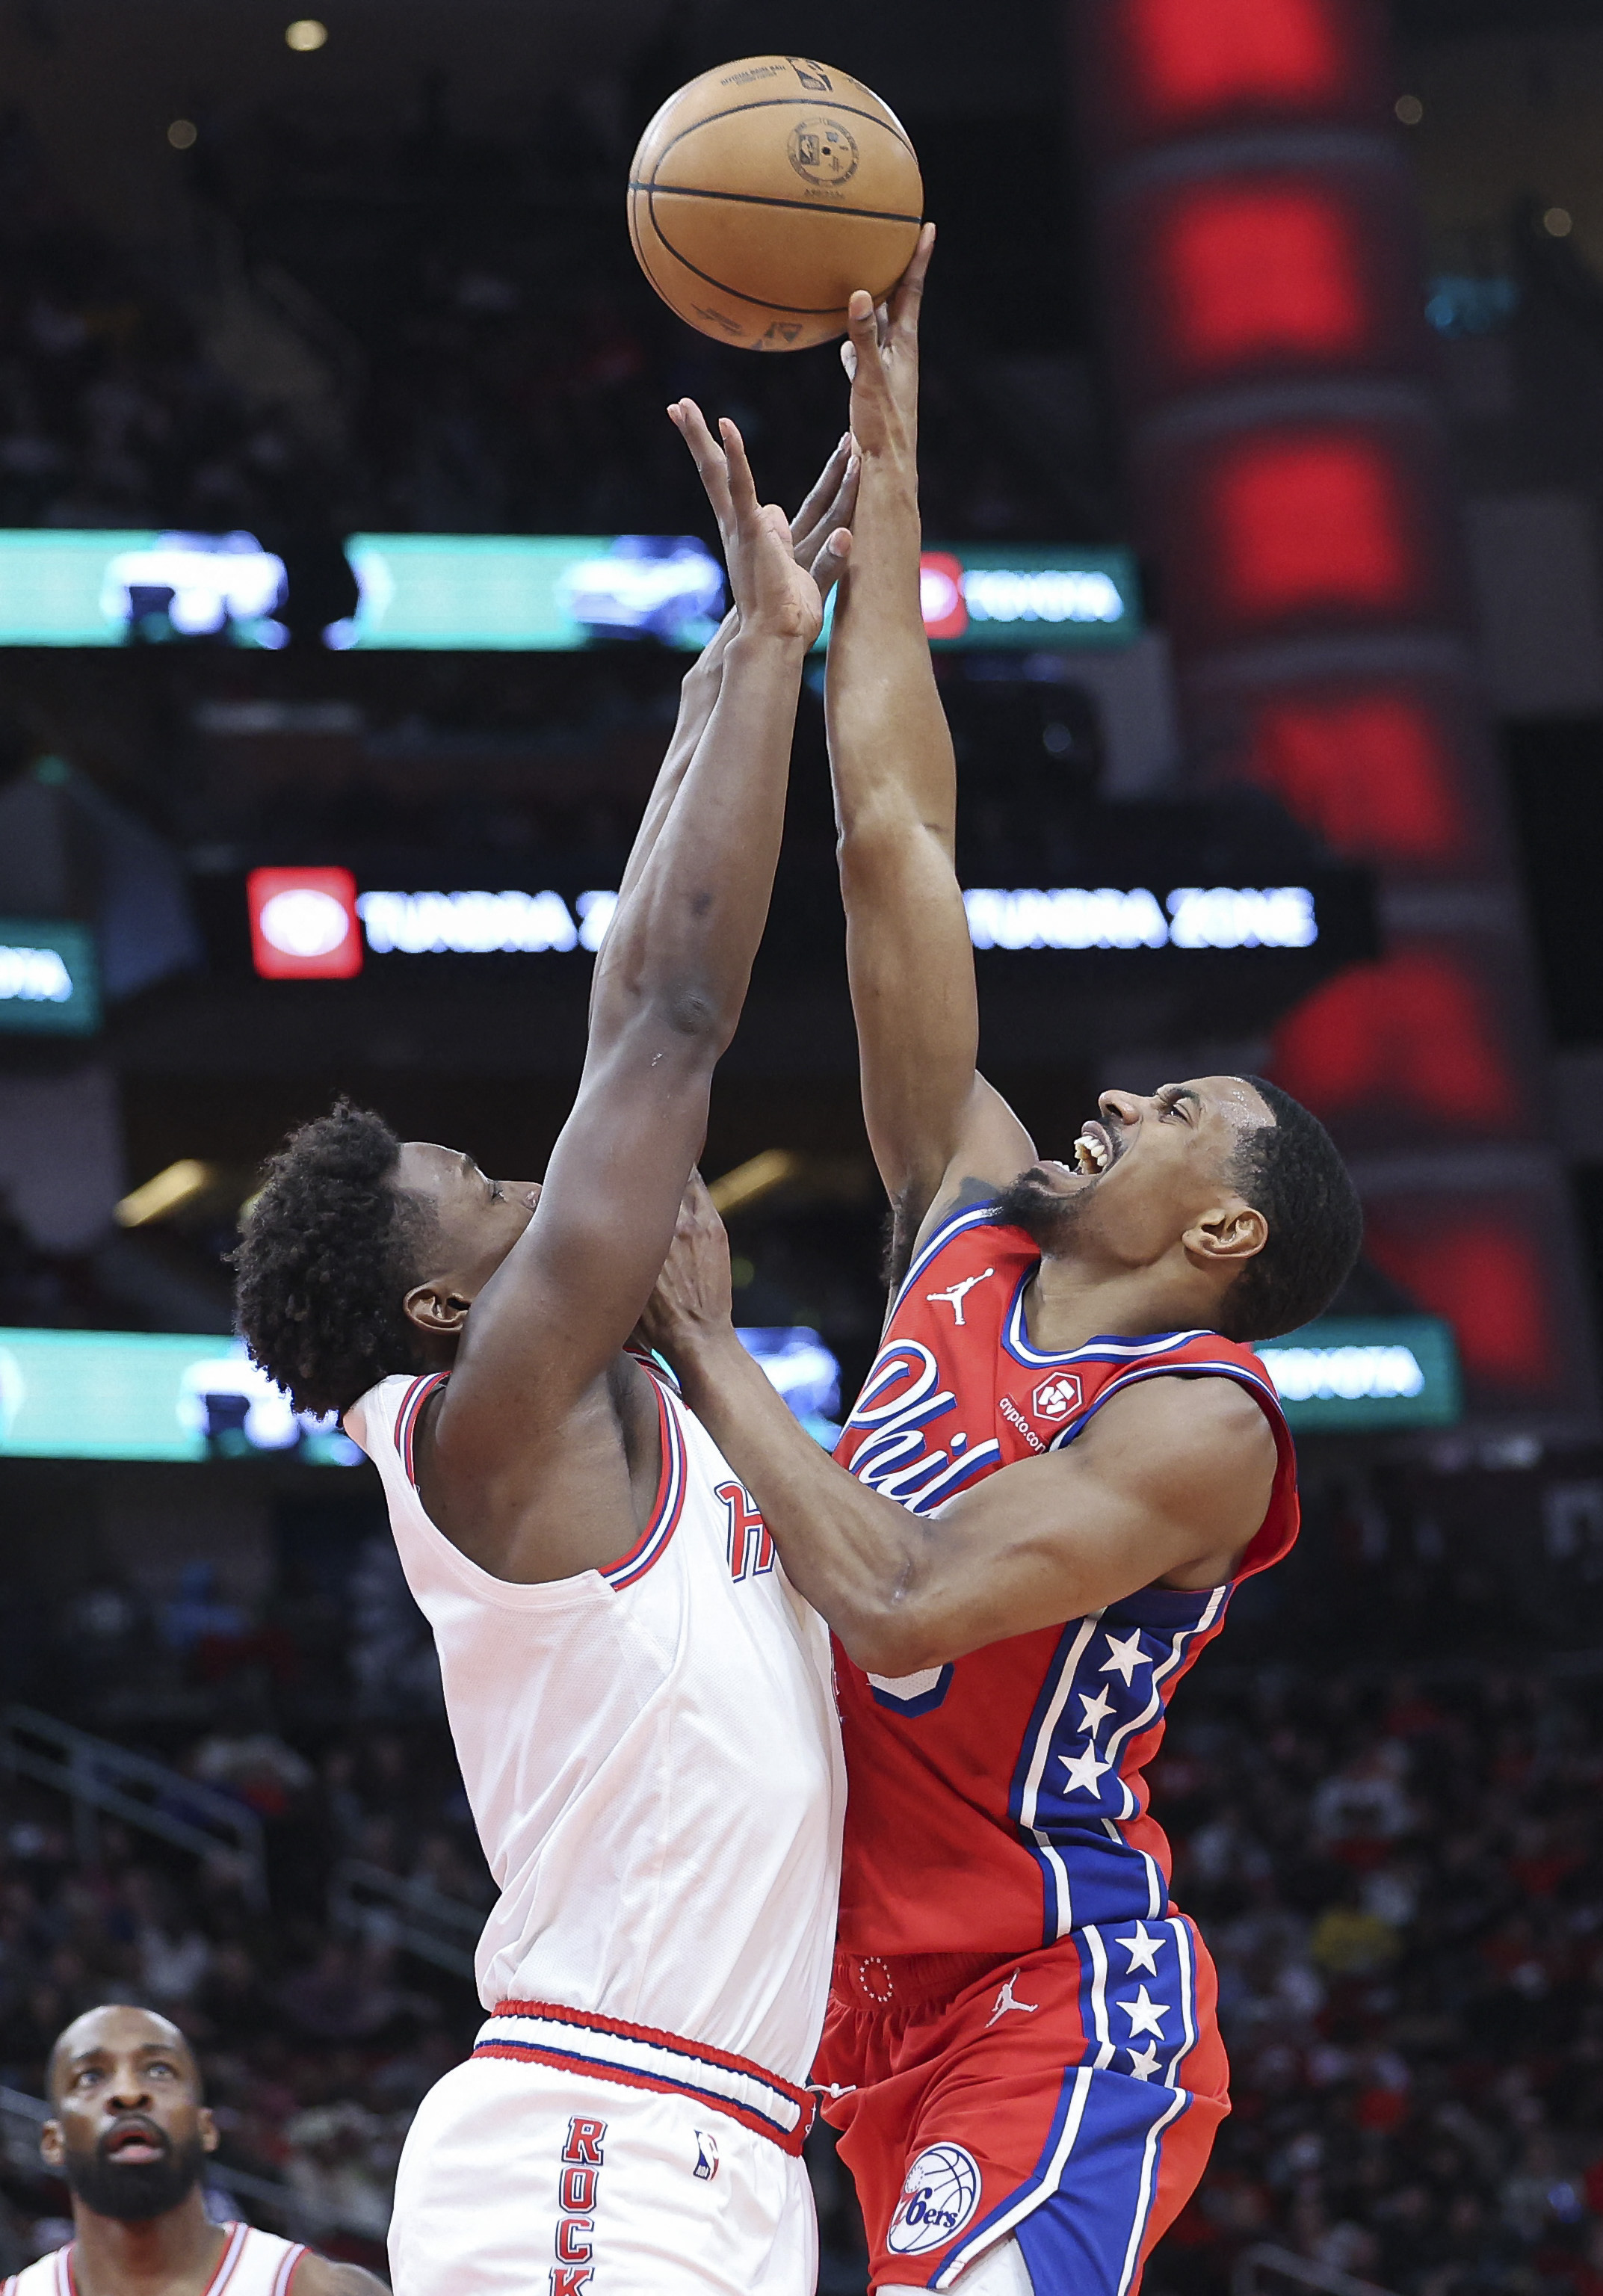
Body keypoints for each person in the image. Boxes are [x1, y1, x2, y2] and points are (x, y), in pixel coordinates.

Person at [640, 231, 1365, 2296]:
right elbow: (896, 833)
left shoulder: (1202, 1423)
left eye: (1177, 1119)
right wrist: (886, 483)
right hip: (837, 2005)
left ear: (1221, 1235)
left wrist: (708, 1346)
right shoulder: (965, 1204)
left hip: (1050, 1995)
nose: (1119, 1104)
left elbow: (900, 1596)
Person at [232, 410, 855, 2295]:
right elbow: (670, 1014)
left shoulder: (632, 1400)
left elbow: (613, 996)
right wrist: (767, 656)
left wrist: (715, 669)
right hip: (601, 2129)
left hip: (727, 2140)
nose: (535, 1180)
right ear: (441, 1312)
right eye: (486, 1191)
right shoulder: (468, 1434)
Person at [7, 2002, 385, 2295]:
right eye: (91, 2077)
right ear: (52, 2142)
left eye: (159, 2071)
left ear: (207, 2128)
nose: (127, 2093)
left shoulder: (317, 2288)